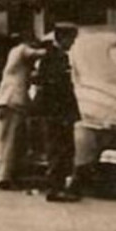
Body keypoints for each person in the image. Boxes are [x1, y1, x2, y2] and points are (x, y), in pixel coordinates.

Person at [30, 23, 83, 202]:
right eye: (71, 39)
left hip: (60, 112)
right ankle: (55, 188)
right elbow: (54, 88)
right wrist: (64, 114)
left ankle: (59, 186)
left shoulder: (58, 56)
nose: (72, 43)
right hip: (57, 112)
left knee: (64, 149)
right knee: (58, 149)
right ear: (62, 38)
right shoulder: (53, 57)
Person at [0, 34, 45, 186]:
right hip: (14, 100)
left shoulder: (14, 56)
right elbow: (35, 54)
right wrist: (50, 49)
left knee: (9, 139)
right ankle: (4, 176)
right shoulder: (22, 50)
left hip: (7, 99)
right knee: (11, 139)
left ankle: (7, 174)